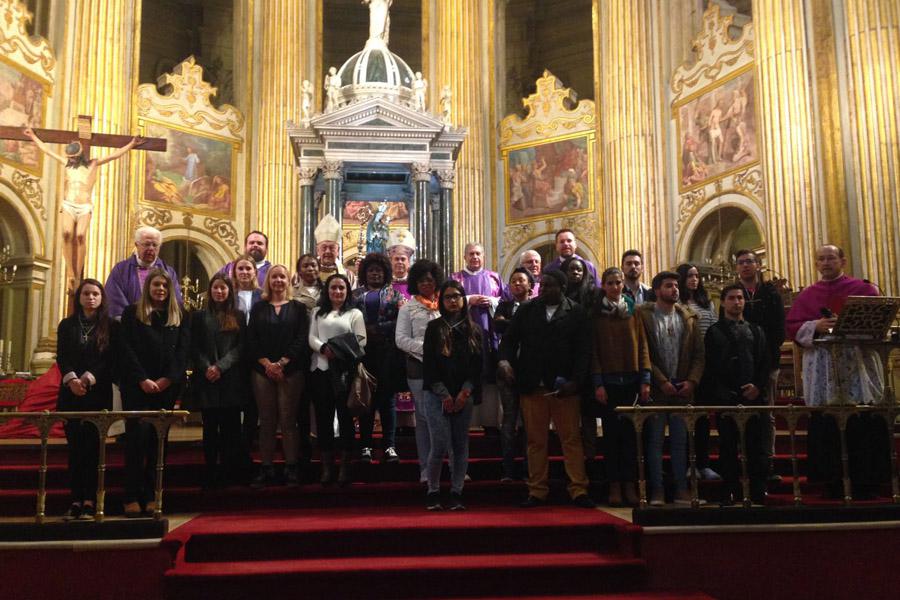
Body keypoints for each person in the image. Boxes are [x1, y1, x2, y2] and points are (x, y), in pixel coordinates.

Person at [785, 245, 887, 498]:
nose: (826, 262)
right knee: (827, 422)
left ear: (843, 260)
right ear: (816, 264)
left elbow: (878, 321)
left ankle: (867, 481)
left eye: (831, 258)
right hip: (823, 365)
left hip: (857, 362)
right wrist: (815, 325)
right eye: (821, 259)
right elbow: (793, 327)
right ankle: (831, 482)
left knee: (861, 418)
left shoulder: (862, 289)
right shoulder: (808, 295)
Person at [498, 269, 596, 509]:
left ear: (562, 288)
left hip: (565, 389)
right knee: (535, 441)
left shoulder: (576, 312)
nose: (543, 289)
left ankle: (578, 489)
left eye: (549, 285)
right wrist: (505, 361)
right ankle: (537, 490)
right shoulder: (527, 310)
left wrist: (576, 381)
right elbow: (509, 340)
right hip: (533, 386)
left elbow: (584, 351)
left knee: (571, 440)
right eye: (541, 285)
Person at [24, 127, 143, 290]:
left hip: (84, 206)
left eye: (73, 157)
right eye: (69, 157)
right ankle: (70, 272)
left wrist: (131, 144)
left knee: (80, 235)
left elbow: (114, 155)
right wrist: (32, 136)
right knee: (67, 233)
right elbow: (47, 150)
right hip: (68, 204)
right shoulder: (67, 165)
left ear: (79, 155)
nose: (71, 160)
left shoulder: (93, 164)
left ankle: (78, 274)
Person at [118, 269, 188, 517]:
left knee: (158, 442)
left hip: (166, 388)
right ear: (148, 286)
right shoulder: (132, 313)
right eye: (156, 284)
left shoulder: (179, 315)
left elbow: (183, 351)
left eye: (165, 286)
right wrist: (142, 379)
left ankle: (152, 494)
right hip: (137, 386)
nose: (160, 289)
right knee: (136, 440)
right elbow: (125, 349)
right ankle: (131, 494)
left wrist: (168, 379)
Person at [636, 271, 704, 506]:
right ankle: (657, 490)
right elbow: (643, 351)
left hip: (682, 389)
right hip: (657, 390)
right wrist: (661, 381)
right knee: (654, 442)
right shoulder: (643, 316)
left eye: (676, 285)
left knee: (680, 442)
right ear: (657, 290)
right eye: (668, 286)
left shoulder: (688, 317)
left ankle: (681, 489)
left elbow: (699, 355)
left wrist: (691, 381)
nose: (674, 289)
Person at [56, 279, 117, 520]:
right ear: (79, 297)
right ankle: (75, 500)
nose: (91, 298)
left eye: (95, 294)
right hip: (70, 394)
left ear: (102, 298)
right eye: (86, 293)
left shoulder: (111, 326)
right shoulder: (67, 325)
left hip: (97, 393)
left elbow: (110, 359)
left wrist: (89, 378)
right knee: (75, 450)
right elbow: (62, 356)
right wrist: (72, 380)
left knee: (93, 450)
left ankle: (91, 500)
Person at [705, 284, 770, 505]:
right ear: (723, 302)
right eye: (732, 298)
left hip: (754, 396)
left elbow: (764, 362)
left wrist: (758, 386)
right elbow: (711, 366)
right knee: (728, 446)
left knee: (756, 445)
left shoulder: (756, 330)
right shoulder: (714, 332)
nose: (737, 302)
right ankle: (730, 489)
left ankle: (757, 489)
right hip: (727, 397)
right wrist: (724, 392)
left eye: (740, 298)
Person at [246, 265, 311, 488]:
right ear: (268, 281)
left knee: (288, 420)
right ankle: (267, 467)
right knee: (266, 421)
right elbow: (251, 338)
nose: (278, 280)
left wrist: (283, 362)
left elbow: (302, 338)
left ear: (288, 280)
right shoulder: (259, 308)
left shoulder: (298, 308)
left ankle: (291, 466)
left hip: (291, 370)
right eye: (274, 277)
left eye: (282, 276)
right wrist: (267, 363)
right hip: (262, 371)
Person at [592, 267, 650, 507]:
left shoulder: (634, 311)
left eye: (618, 283)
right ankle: (614, 484)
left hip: (631, 381)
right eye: (610, 283)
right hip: (609, 382)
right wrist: (598, 383)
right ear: (603, 286)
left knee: (630, 438)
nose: (615, 287)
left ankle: (629, 484)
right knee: (612, 438)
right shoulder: (597, 314)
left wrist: (645, 379)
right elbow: (594, 351)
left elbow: (643, 345)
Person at [422, 280, 482, 511]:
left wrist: (464, 393)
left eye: (456, 296)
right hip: (436, 394)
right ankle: (433, 490)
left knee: (459, 444)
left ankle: (457, 491)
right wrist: (444, 395)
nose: (453, 301)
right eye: (448, 297)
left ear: (463, 299)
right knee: (438, 444)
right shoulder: (434, 328)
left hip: (463, 394)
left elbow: (478, 367)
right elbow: (429, 366)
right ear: (442, 301)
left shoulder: (473, 329)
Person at [309, 273, 366, 486]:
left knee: (345, 419)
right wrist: (324, 348)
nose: (337, 291)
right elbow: (311, 337)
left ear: (347, 291)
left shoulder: (354, 313)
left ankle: (344, 466)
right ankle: (327, 466)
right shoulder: (317, 312)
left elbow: (361, 340)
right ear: (327, 290)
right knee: (323, 418)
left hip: (345, 372)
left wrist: (337, 350)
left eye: (342, 288)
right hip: (321, 369)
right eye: (333, 287)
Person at [190, 274, 247, 489]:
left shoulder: (238, 315)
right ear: (210, 290)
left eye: (223, 288)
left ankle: (228, 472)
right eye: (216, 288)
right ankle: (211, 471)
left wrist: (221, 366)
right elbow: (194, 346)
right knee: (210, 429)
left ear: (229, 291)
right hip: (208, 380)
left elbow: (241, 346)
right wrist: (208, 367)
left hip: (231, 378)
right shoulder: (199, 316)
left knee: (231, 429)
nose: (219, 292)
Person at [735, 249, 785, 483]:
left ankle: (767, 463)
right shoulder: (734, 293)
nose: (745, 265)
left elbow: (778, 330)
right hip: (741, 364)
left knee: (767, 414)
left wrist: (767, 359)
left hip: (768, 362)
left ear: (758, 265)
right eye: (741, 262)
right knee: (743, 413)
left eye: (749, 261)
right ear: (737, 267)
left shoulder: (770, 293)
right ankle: (745, 461)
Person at [352, 253, 405, 464]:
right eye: (371, 270)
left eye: (379, 270)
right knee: (366, 400)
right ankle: (365, 445)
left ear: (386, 273)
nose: (375, 274)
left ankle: (389, 446)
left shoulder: (395, 295)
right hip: (363, 353)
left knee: (387, 400)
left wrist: (378, 328)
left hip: (387, 353)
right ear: (364, 273)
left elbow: (401, 320)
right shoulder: (355, 295)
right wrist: (364, 331)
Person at [395, 259, 445, 484]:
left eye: (430, 280)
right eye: (422, 280)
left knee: (447, 417)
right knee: (424, 418)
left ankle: (454, 465)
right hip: (419, 368)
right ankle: (426, 468)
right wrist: (428, 350)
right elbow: (401, 339)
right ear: (415, 282)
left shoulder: (445, 303)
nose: (426, 283)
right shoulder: (408, 307)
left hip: (445, 368)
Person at [451, 243, 504, 433]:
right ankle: (465, 423)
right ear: (464, 257)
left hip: (489, 334)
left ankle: (490, 422)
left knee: (489, 377)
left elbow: (505, 300)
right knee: (466, 375)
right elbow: (446, 301)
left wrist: (492, 301)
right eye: (471, 254)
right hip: (463, 335)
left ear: (484, 256)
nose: (474, 257)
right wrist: (469, 300)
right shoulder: (456, 279)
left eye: (478, 254)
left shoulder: (494, 278)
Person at [676, 262, 721, 482]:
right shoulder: (678, 303)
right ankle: (688, 463)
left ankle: (703, 463)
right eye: (690, 276)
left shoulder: (707, 302)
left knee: (702, 417)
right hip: (685, 365)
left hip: (706, 365)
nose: (694, 280)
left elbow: (714, 329)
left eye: (696, 276)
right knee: (686, 419)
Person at [493, 267, 533, 482]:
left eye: (521, 280)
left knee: (529, 423)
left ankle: (529, 470)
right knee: (508, 421)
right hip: (507, 367)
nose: (517, 283)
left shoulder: (536, 306)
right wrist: (518, 325)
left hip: (529, 370)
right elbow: (498, 326)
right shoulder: (504, 305)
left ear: (530, 285)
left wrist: (510, 324)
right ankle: (508, 469)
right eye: (514, 281)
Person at [106, 226, 183, 318]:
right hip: (130, 323)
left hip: (161, 322)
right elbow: (114, 299)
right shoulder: (121, 270)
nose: (151, 248)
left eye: (155, 245)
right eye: (146, 244)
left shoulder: (168, 272)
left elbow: (175, 301)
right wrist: (130, 318)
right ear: (136, 245)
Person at [315, 215, 356, 288]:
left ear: (338, 250)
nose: (328, 251)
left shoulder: (348, 276)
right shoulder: (306, 274)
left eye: (332, 248)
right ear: (318, 250)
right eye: (324, 247)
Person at [231, 255, 263, 323]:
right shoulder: (229, 295)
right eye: (240, 269)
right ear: (234, 272)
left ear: (255, 272)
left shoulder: (263, 295)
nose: (244, 272)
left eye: (248, 268)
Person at [387, 228, 416, 300]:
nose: (400, 262)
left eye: (403, 259)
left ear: (408, 262)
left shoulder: (415, 283)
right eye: (396, 259)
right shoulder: (385, 283)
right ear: (391, 261)